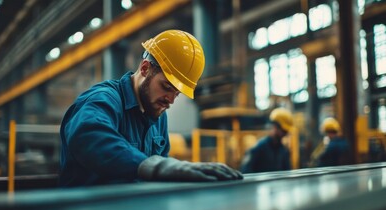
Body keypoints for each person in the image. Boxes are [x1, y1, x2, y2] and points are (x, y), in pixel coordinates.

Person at [59, 29, 243, 187]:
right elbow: (86, 135)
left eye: (177, 93)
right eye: (166, 87)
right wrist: (156, 166)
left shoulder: (158, 115)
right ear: (145, 68)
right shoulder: (105, 99)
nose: (170, 100)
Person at [240, 108, 293, 173]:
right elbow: (245, 171)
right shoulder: (258, 149)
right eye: (284, 131)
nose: (285, 134)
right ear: (275, 126)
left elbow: (287, 173)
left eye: (287, 131)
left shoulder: (284, 151)